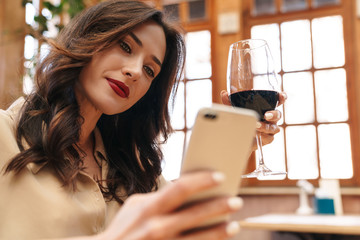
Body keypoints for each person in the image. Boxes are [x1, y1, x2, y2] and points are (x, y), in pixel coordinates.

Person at [0, 0, 285, 239]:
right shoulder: (5, 135)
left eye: (150, 70)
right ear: (87, 38)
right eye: (125, 47)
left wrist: (240, 139)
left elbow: (184, 213)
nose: (135, 71)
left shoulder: (132, 165)